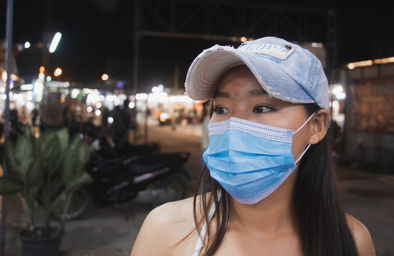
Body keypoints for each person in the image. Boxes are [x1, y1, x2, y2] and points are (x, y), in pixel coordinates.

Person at [131, 37, 375, 256]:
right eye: (221, 109)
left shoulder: (351, 241)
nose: (234, 126)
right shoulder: (165, 230)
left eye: (262, 108)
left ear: (317, 126)